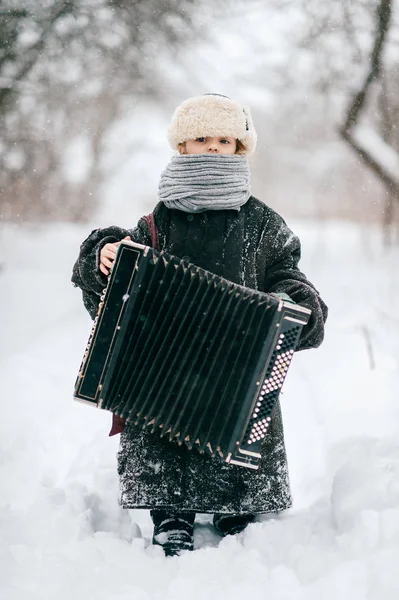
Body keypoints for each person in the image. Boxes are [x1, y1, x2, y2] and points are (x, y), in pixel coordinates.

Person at [71, 93, 328, 557]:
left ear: (239, 148)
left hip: (236, 357)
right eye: (200, 138)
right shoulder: (158, 220)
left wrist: (291, 303)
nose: (212, 147)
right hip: (166, 362)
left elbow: (288, 274)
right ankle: (171, 512)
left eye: (224, 139)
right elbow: (116, 279)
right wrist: (103, 255)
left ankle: (237, 505)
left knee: (238, 418)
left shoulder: (261, 222)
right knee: (164, 427)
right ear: (182, 146)